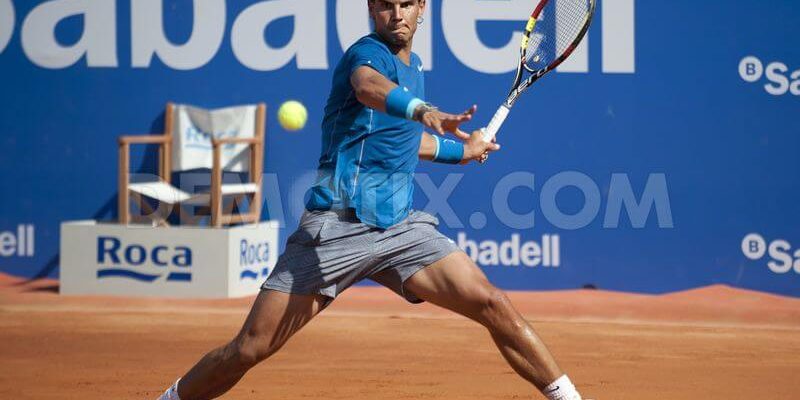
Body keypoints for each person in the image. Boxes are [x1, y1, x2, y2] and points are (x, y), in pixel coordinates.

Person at [158, 1, 585, 399]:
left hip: (399, 228)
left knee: (492, 302)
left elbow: (402, 141)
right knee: (249, 348)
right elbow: (367, 87)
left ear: (422, 8)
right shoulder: (366, 56)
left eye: (406, 4)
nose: (396, 14)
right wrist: (423, 111)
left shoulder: (414, 67)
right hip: (336, 229)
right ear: (371, 8)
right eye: (385, 5)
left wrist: (462, 152)